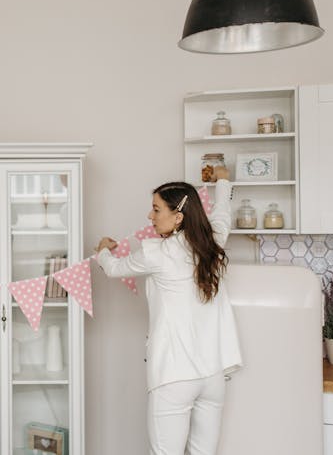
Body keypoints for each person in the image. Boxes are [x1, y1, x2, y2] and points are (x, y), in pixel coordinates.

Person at [95, 166, 242, 455]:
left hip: (174, 376)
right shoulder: (212, 242)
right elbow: (223, 213)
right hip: (212, 378)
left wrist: (102, 249)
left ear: (178, 217)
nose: (150, 217)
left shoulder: (157, 253)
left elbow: (112, 268)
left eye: (156, 209)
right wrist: (223, 179)